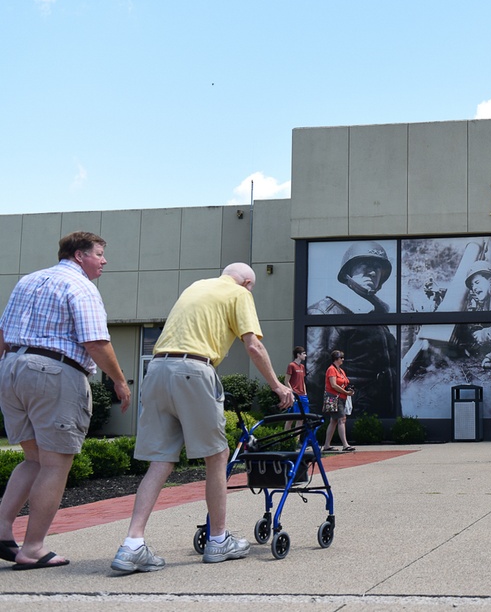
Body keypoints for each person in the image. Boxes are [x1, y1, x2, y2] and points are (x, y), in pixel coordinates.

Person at [110, 262, 294, 572]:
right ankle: (219, 540)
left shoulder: (197, 286)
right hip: (193, 370)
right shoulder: (238, 292)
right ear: (247, 282)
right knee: (217, 456)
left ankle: (132, 545)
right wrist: (277, 386)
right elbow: (253, 345)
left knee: (162, 460)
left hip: (156, 370)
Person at [0, 232, 131, 570]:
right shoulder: (81, 286)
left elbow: (2, 335)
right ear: (78, 255)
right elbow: (96, 342)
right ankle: (33, 548)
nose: (104, 261)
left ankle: (1, 531)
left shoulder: (27, 281)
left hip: (12, 367)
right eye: (99, 254)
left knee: (32, 459)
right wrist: (119, 381)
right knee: (55, 463)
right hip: (54, 373)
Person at [307, 240, 398, 417]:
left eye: (378, 268)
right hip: (350, 410)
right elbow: (314, 374)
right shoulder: (326, 312)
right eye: (365, 265)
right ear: (348, 271)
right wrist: (315, 419)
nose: (372, 272)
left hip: (381, 412)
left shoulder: (378, 315)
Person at [322, 350, 355, 452]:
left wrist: (349, 390)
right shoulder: (331, 369)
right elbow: (333, 385)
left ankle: (327, 445)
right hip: (334, 398)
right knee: (342, 419)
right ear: (336, 358)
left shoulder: (341, 370)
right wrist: (345, 392)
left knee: (334, 420)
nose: (343, 359)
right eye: (341, 358)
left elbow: (344, 382)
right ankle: (345, 445)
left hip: (341, 398)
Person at [283, 346, 309, 432]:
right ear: (298, 355)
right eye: (304, 353)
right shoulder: (291, 365)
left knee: (301, 419)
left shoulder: (302, 367)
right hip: (294, 396)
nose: (305, 355)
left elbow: (303, 381)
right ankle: (287, 438)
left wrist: (305, 393)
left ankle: (296, 441)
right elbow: (286, 381)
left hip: (302, 395)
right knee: (291, 418)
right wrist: (292, 393)